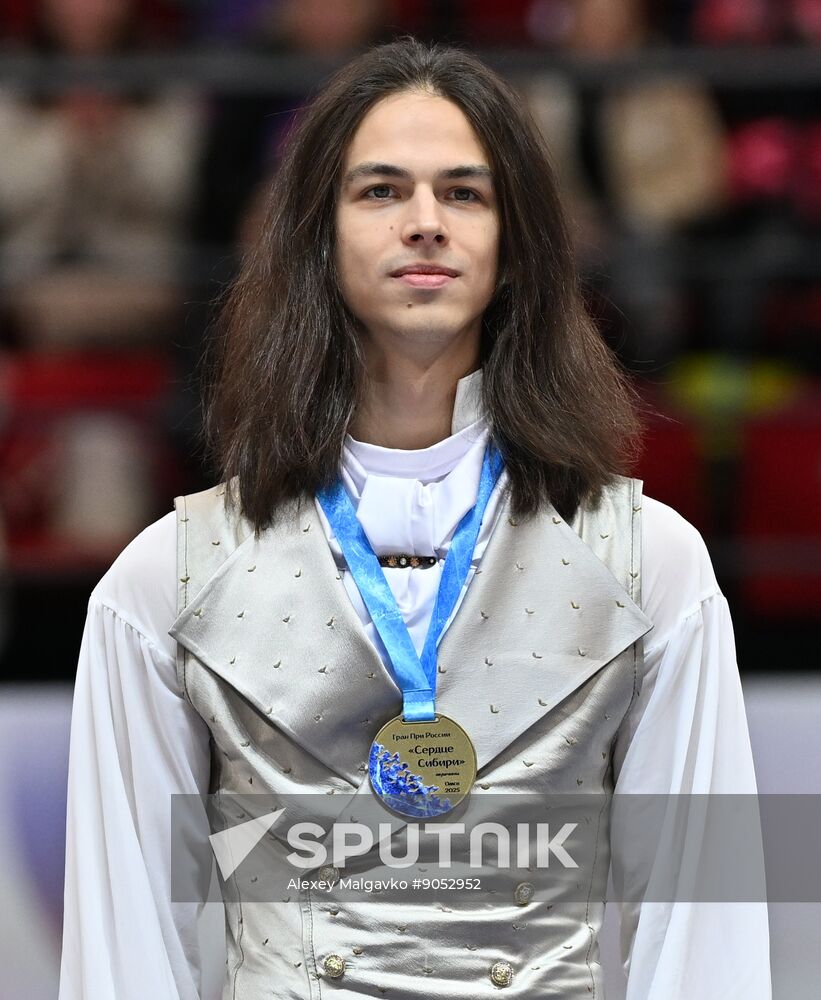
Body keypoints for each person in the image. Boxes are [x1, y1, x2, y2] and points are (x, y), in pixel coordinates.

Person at [58, 38, 771, 1000]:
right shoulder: (164, 581)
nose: (425, 223)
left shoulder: (652, 567)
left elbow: (703, 939)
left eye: (465, 193)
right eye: (381, 191)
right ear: (315, 238)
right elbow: (123, 949)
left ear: (516, 248)